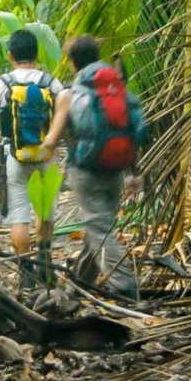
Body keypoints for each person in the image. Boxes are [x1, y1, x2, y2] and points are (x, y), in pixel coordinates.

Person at [38, 34, 148, 297]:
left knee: (99, 227)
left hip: (85, 167)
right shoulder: (118, 89)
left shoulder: (70, 93)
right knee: (101, 224)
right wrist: (135, 171)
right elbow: (133, 128)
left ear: (73, 63)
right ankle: (80, 283)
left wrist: (37, 150)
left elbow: (53, 138)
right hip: (118, 165)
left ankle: (122, 284)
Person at [0, 28, 63, 263]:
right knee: (45, 211)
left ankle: (25, 271)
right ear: (37, 54)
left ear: (10, 55)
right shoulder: (51, 83)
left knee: (19, 215)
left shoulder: (2, 83)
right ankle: (45, 263)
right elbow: (63, 116)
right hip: (47, 155)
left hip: (14, 156)